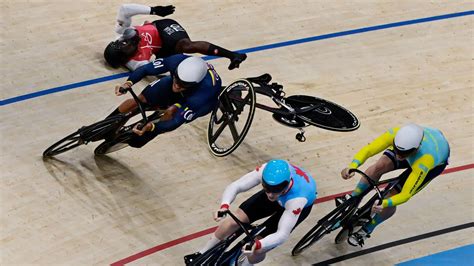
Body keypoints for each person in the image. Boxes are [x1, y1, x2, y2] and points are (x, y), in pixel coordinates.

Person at [184, 159, 317, 265]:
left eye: (274, 191)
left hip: (294, 205)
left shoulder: (297, 200)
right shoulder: (266, 171)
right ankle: (202, 253)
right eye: (266, 189)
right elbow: (236, 186)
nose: (270, 195)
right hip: (282, 197)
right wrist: (224, 205)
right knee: (234, 220)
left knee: (257, 248)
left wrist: (259, 243)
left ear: (286, 186)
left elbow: (282, 234)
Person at [340, 123, 450, 246]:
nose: (398, 156)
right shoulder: (396, 134)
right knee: (379, 166)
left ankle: (367, 229)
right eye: (396, 151)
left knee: (393, 195)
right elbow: (369, 149)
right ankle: (353, 198)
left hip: (430, 162)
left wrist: (385, 203)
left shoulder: (425, 160)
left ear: (416, 148)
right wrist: (353, 166)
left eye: (403, 154)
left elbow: (405, 195)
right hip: (415, 148)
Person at [104, 53, 222, 149]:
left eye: (183, 84)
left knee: (170, 112)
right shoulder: (176, 61)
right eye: (177, 80)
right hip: (176, 84)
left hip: (195, 99)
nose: (177, 86)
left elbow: (176, 121)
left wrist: (152, 128)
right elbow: (145, 69)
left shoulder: (204, 93)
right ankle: (107, 124)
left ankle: (149, 133)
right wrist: (128, 83)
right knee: (140, 100)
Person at [104, 3, 247, 71]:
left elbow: (124, 9)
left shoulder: (122, 32)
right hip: (164, 50)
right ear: (125, 59)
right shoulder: (137, 63)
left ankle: (233, 55)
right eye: (123, 47)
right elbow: (155, 71)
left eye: (119, 43)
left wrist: (154, 10)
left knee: (187, 46)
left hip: (163, 29)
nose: (123, 43)